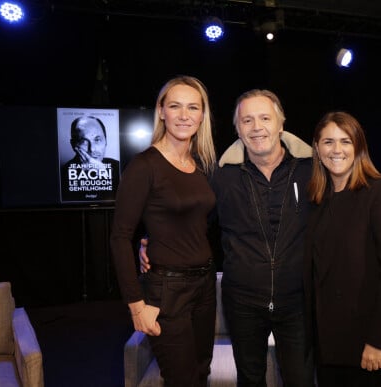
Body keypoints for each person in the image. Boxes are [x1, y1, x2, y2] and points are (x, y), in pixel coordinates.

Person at [141, 89, 315, 387]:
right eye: (247, 120)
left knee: (299, 380)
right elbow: (192, 222)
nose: (256, 127)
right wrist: (151, 240)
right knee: (249, 378)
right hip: (243, 302)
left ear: (281, 124)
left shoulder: (311, 171)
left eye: (264, 118)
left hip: (296, 301)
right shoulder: (221, 176)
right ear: (238, 129)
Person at [110, 75, 217, 387]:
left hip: (205, 285)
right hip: (166, 292)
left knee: (201, 373)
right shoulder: (144, 166)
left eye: (192, 107)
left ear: (202, 115)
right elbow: (119, 237)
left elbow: (194, 221)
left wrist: (152, 238)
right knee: (182, 380)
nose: (184, 115)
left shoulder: (199, 164)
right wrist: (135, 305)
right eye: (175, 106)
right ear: (161, 111)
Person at [304, 111, 381, 387]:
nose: (337, 149)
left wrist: (379, 342)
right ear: (317, 149)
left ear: (359, 147)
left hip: (370, 343)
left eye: (345, 141)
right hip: (329, 345)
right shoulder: (316, 199)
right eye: (328, 142)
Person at [60, 115, 120, 202]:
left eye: (97, 140)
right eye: (84, 141)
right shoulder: (62, 175)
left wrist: (103, 172)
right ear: (73, 145)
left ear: (106, 141)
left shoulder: (119, 167)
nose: (92, 149)